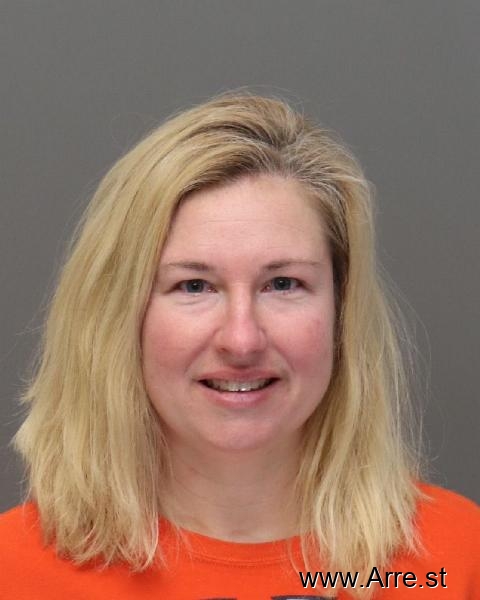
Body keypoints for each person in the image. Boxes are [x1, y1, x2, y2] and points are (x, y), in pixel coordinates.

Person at [0, 93, 478, 600]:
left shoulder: (460, 561)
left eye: (283, 284)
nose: (242, 339)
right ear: (120, 316)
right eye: (194, 286)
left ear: (342, 310)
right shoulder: (12, 571)